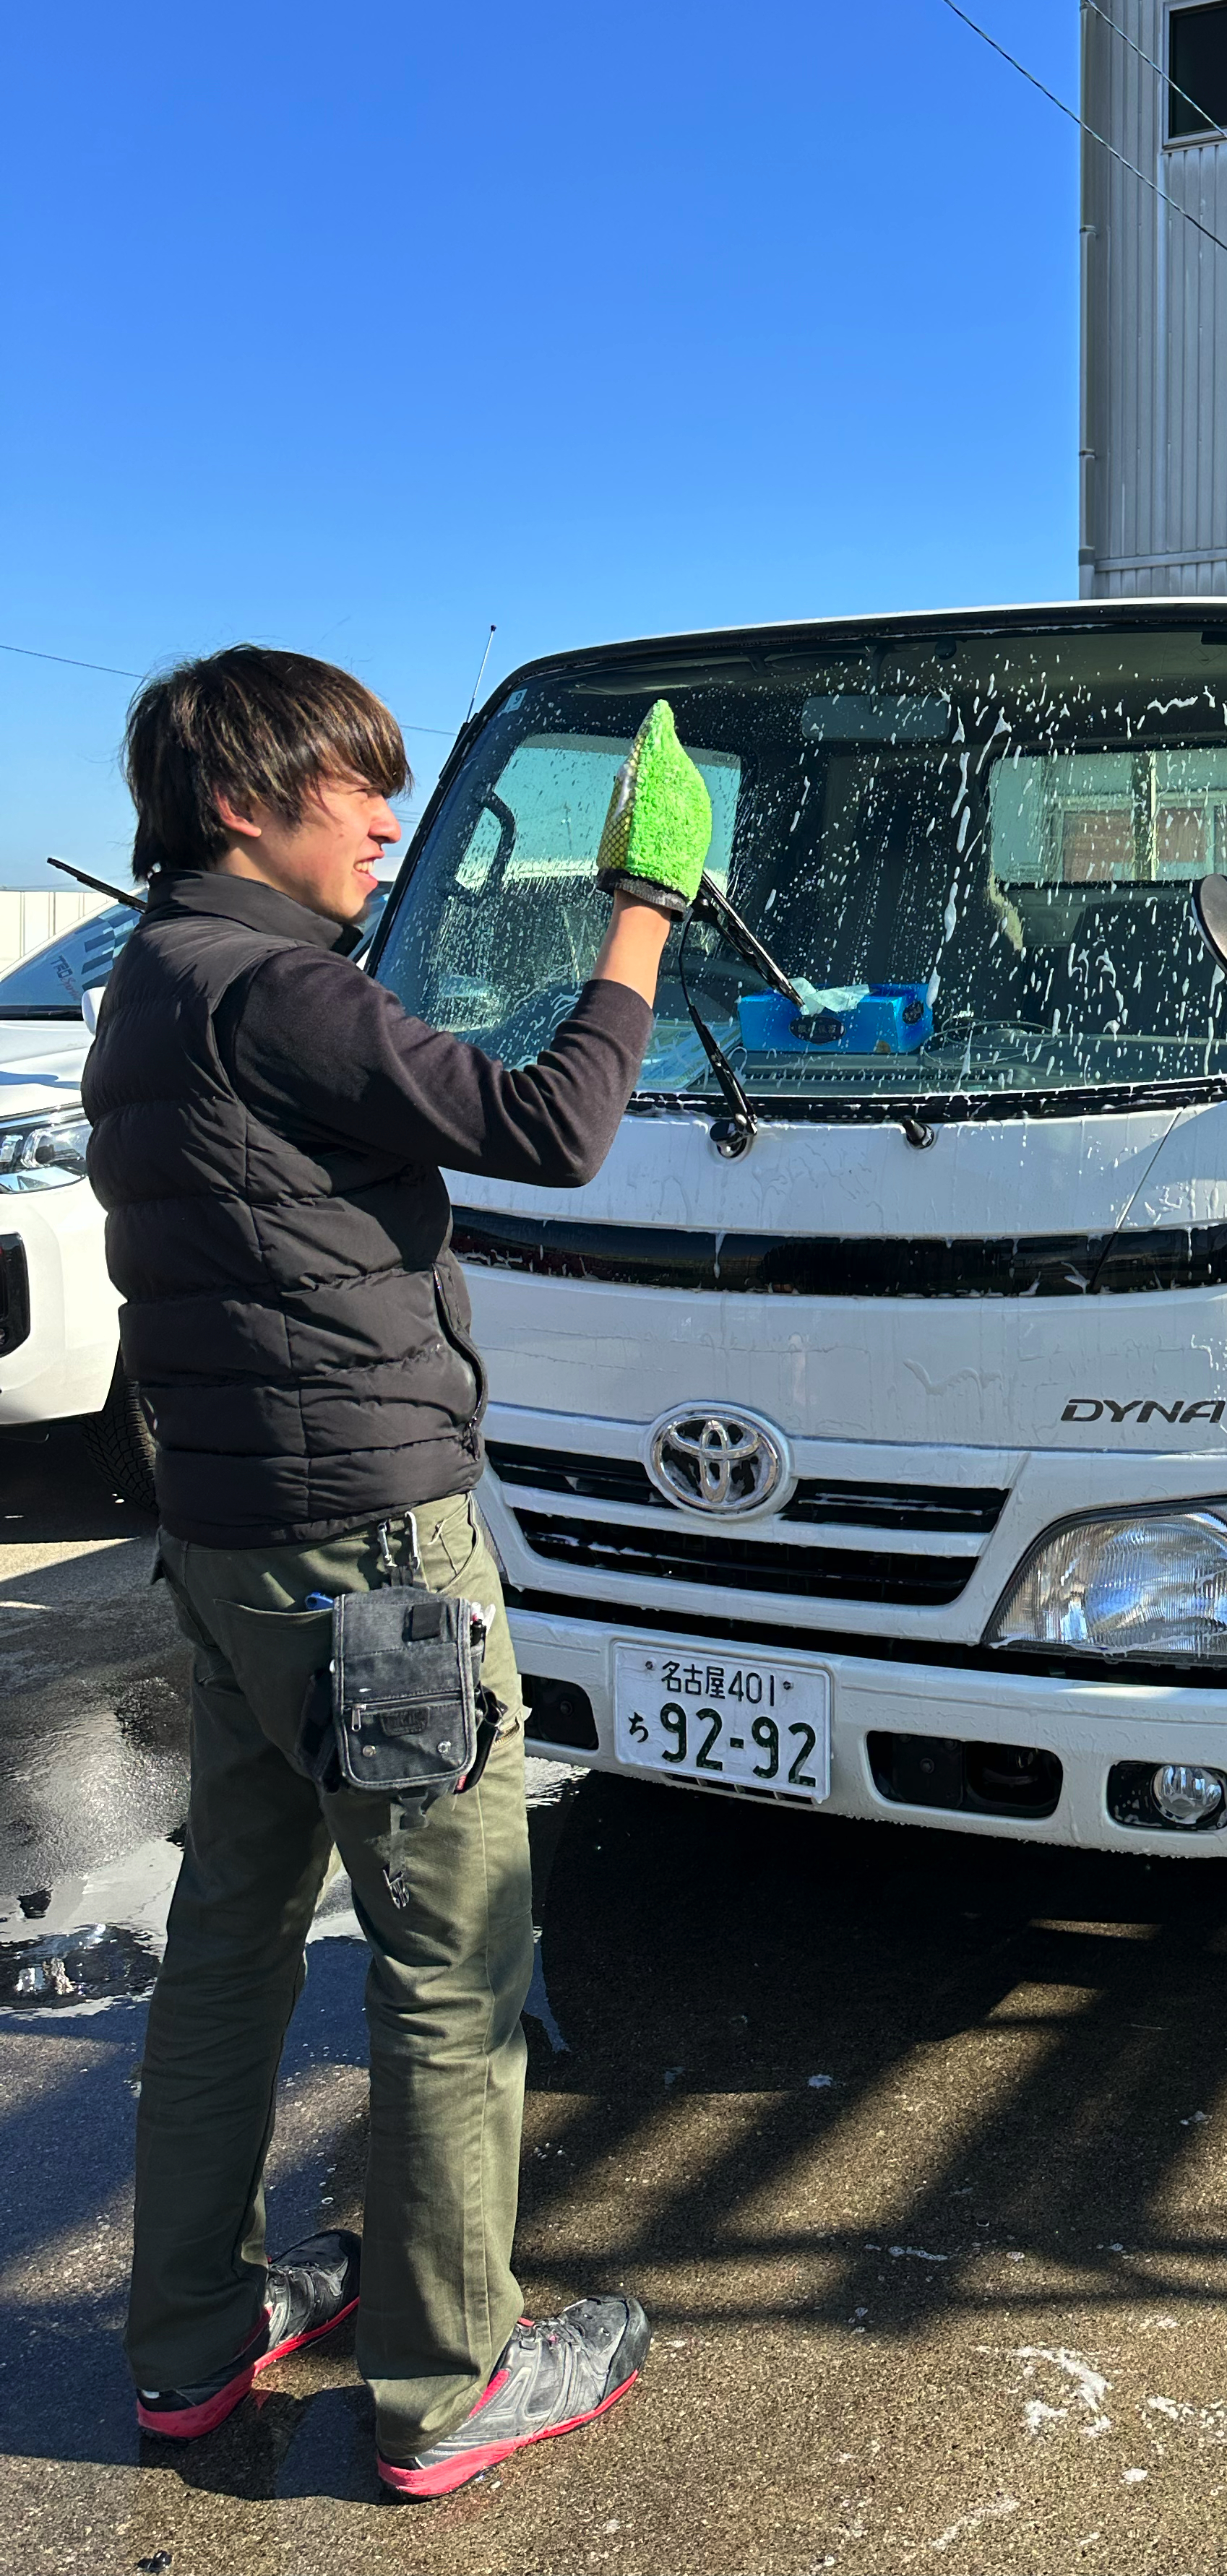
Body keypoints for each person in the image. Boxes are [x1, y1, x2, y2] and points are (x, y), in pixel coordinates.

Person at [83, 649, 714, 2493]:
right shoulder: (273, 985)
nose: (384, 816)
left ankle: (192, 2343)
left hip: (227, 1538)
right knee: (455, 1958)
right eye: (350, 786)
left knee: (231, 1945)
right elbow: (553, 1125)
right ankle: (450, 2385)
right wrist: (643, 918)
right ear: (236, 807)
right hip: (370, 1547)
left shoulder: (159, 978)